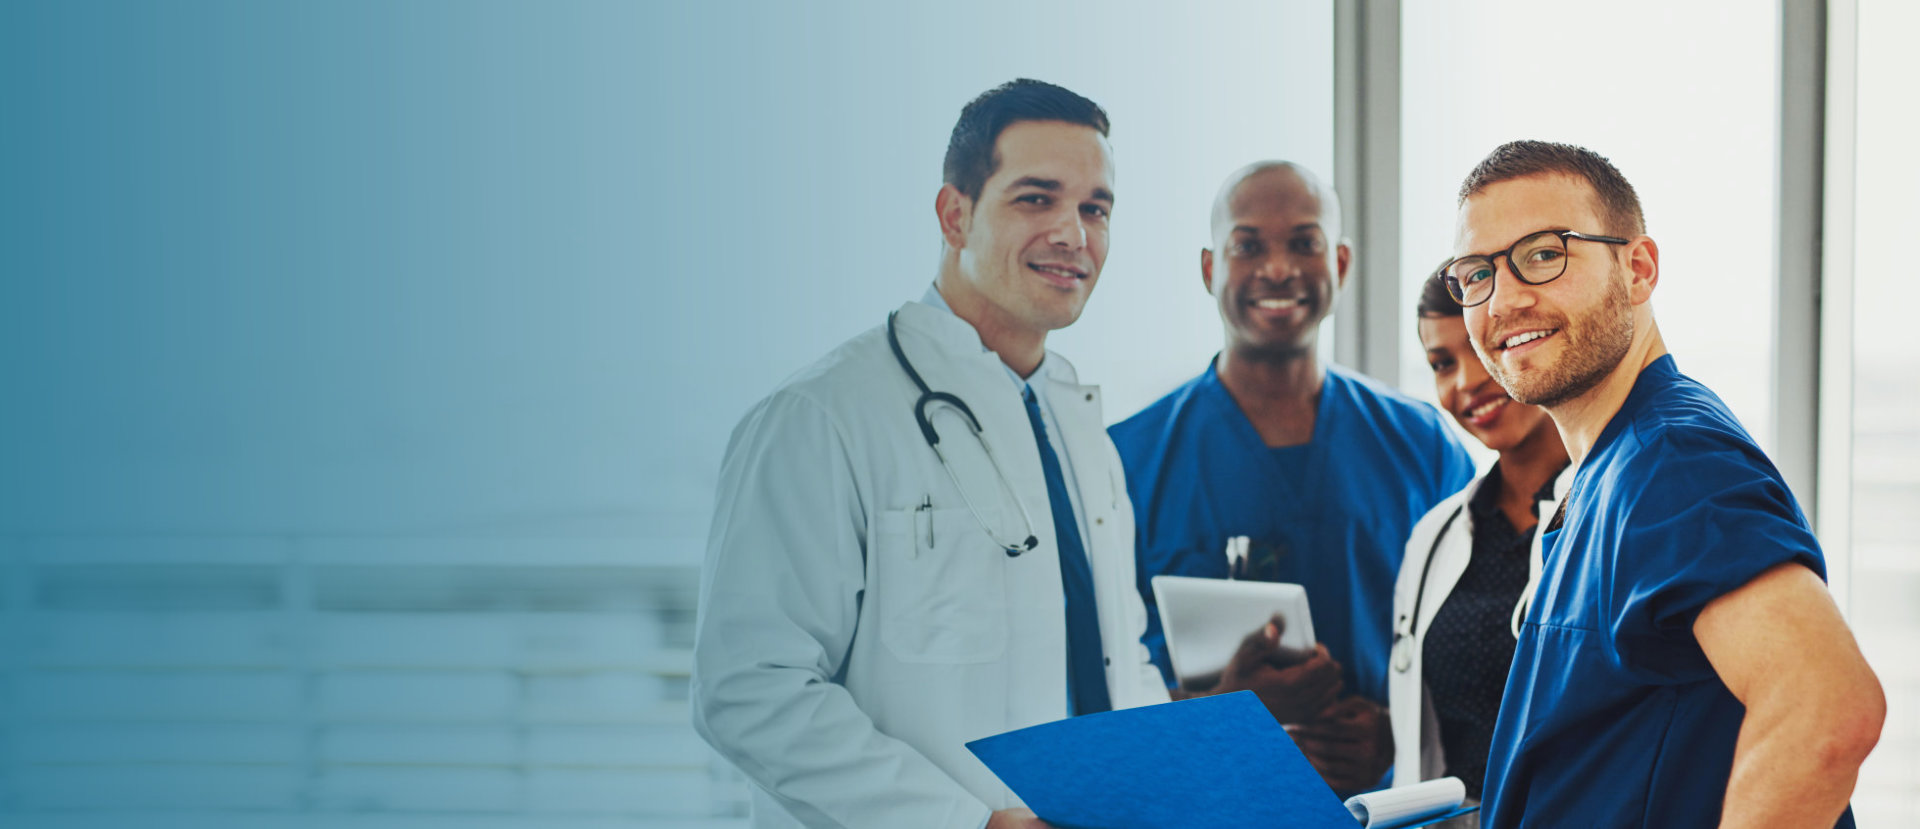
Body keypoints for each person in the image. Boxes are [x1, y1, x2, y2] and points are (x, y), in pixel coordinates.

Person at [690, 80, 1169, 829]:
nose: (1074, 234)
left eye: (1095, 208)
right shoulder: (821, 417)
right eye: (1036, 199)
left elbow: (1118, 658)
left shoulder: (1080, 430)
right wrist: (966, 823)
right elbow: (751, 688)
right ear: (955, 214)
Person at [1445, 140, 1884, 828]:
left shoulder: (1672, 460)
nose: (1503, 300)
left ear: (1638, 268)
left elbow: (1827, 707)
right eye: (1476, 273)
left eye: (1543, 254)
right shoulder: (1605, 474)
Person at [1108, 161, 1474, 795]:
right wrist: (1225, 713)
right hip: (1202, 804)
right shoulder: (1123, 463)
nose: (1277, 268)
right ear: (1208, 268)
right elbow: (1097, 680)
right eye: (1247, 245)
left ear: (1340, 263)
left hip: (1386, 805)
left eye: (1303, 243)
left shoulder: (1423, 445)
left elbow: (1486, 644)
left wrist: (1397, 735)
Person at [1388, 267, 1572, 820]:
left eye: (1480, 345)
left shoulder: (1613, 510)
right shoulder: (1434, 537)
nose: (1466, 381)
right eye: (1443, 363)